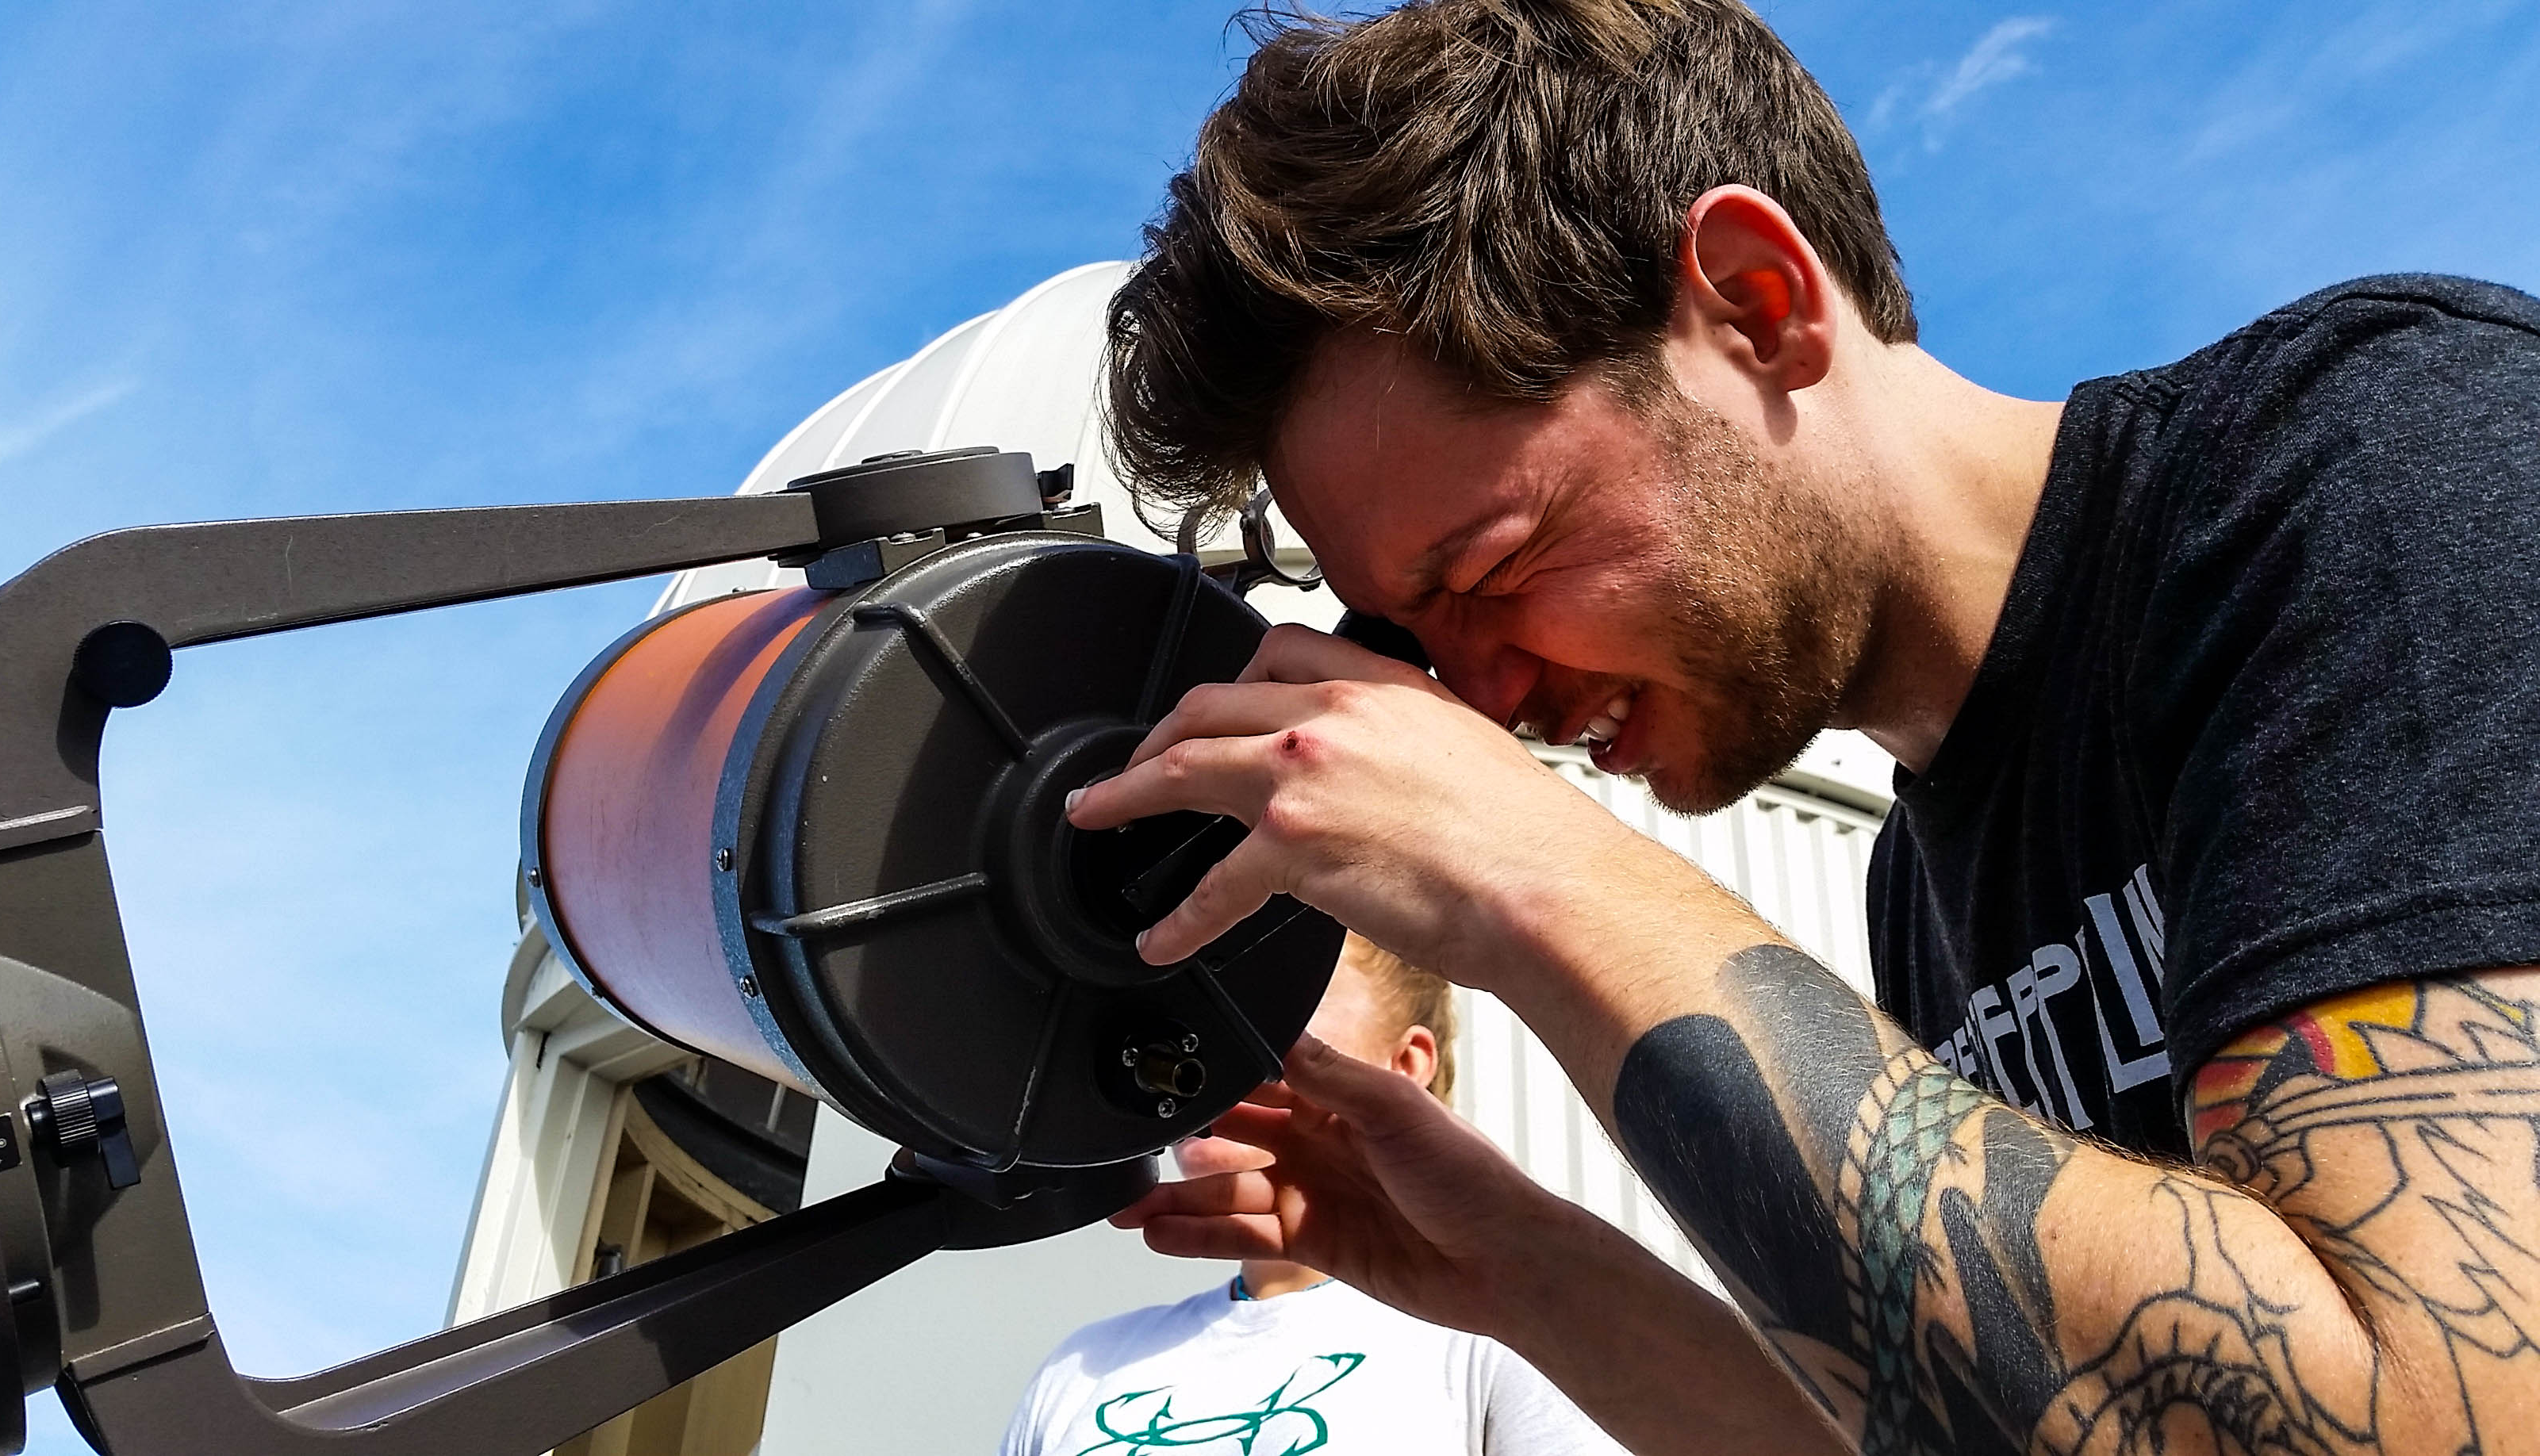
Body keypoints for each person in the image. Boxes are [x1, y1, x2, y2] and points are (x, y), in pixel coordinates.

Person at [1058, 2, 2540, 1454]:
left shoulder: (2372, 466)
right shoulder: (1922, 879)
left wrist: (1539, 875)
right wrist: (1517, 1271)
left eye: (1493, 567)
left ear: (1757, 304)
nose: (1492, 706)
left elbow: (2435, 1414)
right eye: (1416, 635)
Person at [1000, 934, 1627, 1456]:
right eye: (1198, 1005)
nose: (1214, 1042)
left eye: (1273, 1007)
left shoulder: (1504, 1329)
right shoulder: (1081, 1366)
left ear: (1405, 1067)